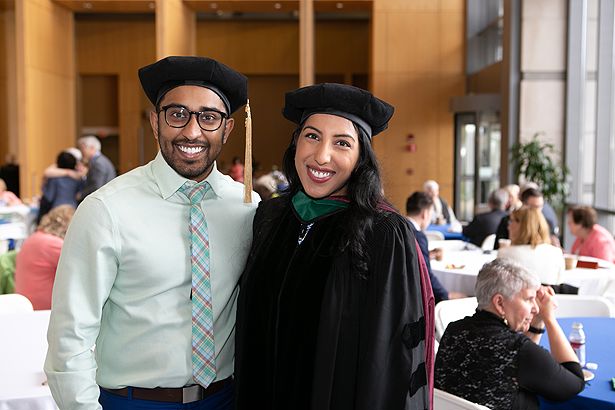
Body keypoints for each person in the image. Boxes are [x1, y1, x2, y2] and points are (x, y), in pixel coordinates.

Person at [45, 56, 259, 410]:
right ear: (155, 122)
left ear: (228, 129)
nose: (192, 132)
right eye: (177, 114)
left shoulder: (246, 206)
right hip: (134, 401)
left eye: (208, 118)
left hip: (224, 399)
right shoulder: (107, 210)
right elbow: (70, 334)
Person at [234, 83, 434, 410]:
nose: (322, 155)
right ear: (296, 143)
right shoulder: (271, 217)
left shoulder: (384, 234)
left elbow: (391, 363)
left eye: (342, 143)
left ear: (360, 159)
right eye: (312, 136)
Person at [435, 259, 584, 409]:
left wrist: (537, 323)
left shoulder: (453, 331)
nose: (536, 309)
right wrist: (549, 319)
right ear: (499, 303)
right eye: (528, 299)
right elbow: (574, 383)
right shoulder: (518, 350)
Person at [15, 205, 75, 310]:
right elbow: (80, 268)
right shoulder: (55, 245)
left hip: (25, 307)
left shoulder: (33, 238)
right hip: (45, 312)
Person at [497, 207, 564, 285]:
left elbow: (500, 285)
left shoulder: (505, 253)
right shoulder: (556, 253)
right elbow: (559, 285)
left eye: (511, 221)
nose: (508, 227)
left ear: (523, 226)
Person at [406, 191, 450, 304]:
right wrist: (446, 295)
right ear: (425, 214)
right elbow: (425, 276)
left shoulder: (398, 228)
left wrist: (429, 254)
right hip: (416, 298)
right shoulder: (418, 237)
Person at [495, 187, 559, 249]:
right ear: (523, 205)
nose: (538, 211)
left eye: (540, 206)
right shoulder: (508, 221)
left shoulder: (547, 223)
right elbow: (497, 246)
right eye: (534, 207)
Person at [37, 151, 84, 223]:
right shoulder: (78, 178)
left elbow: (49, 196)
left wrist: (43, 186)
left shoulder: (54, 178)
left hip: (58, 209)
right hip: (73, 209)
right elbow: (79, 194)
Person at [77, 135, 117, 202]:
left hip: (102, 200)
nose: (81, 152)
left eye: (83, 148)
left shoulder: (98, 163)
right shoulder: (99, 160)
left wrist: (81, 195)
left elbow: (96, 186)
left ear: (92, 148)